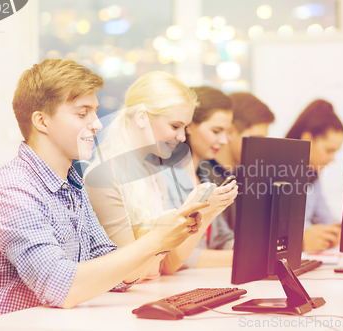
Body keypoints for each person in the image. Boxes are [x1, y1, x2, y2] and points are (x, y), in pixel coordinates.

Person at [0, 59, 207, 330]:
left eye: (95, 112)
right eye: (82, 113)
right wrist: (156, 239)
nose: (97, 124)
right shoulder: (12, 189)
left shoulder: (72, 186)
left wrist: (166, 236)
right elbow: (60, 288)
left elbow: (121, 274)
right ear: (42, 121)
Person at [84, 72, 237, 276]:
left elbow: (166, 266)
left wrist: (204, 213)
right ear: (141, 117)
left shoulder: (153, 174)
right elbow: (129, 273)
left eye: (184, 128)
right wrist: (183, 215)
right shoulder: (103, 176)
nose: (182, 137)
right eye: (175, 126)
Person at [158, 86, 238, 268]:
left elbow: (223, 239)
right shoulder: (164, 179)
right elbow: (176, 256)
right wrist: (244, 260)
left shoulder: (207, 179)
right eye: (216, 131)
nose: (224, 141)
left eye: (226, 132)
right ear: (190, 126)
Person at [200, 92, 275, 231]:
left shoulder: (249, 175)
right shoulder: (202, 176)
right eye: (257, 139)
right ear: (230, 132)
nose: (262, 146)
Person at [286, 99, 343, 251]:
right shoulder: (272, 175)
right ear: (307, 139)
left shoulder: (312, 176)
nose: (332, 159)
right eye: (329, 150)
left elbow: (326, 218)